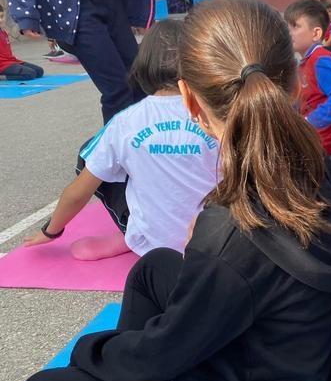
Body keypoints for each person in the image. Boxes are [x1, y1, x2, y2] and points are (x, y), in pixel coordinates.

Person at [0, 0, 331, 381]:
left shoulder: (228, 231)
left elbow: (169, 349)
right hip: (290, 364)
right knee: (153, 268)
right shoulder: (316, 166)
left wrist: (94, 353)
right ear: (296, 83)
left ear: (190, 101)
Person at [22, 19, 219, 261]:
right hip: (220, 241)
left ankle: (130, 231)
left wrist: (50, 231)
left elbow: (78, 192)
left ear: (143, 65)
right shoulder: (220, 116)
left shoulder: (125, 122)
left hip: (154, 245)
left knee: (92, 154)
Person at [0, 0, 164, 123]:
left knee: (140, 78)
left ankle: (145, 136)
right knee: (117, 88)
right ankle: (116, 140)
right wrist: (24, 11)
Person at [285, 0, 331, 155]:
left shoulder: (320, 60)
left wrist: (310, 122)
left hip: (326, 142)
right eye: (288, 27)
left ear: (316, 33)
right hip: (314, 136)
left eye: (295, 26)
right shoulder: (304, 62)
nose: (289, 32)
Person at [0, 5, 44, 80]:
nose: (0, 20)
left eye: (1, 16)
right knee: (29, 74)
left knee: (39, 71)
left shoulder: (3, 32)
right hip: (2, 65)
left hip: (10, 61)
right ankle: (2, 77)